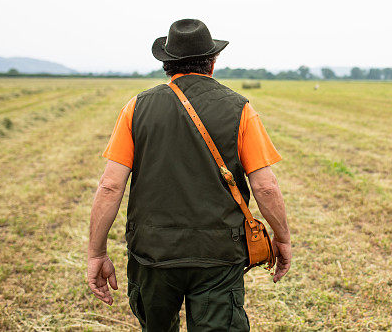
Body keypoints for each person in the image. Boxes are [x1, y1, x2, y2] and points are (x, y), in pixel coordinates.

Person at [87, 19, 291, 331]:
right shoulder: (240, 108)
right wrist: (282, 237)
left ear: (167, 64)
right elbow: (265, 187)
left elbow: (110, 185)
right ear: (213, 62)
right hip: (219, 253)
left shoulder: (136, 107)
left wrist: (96, 253)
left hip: (152, 254)